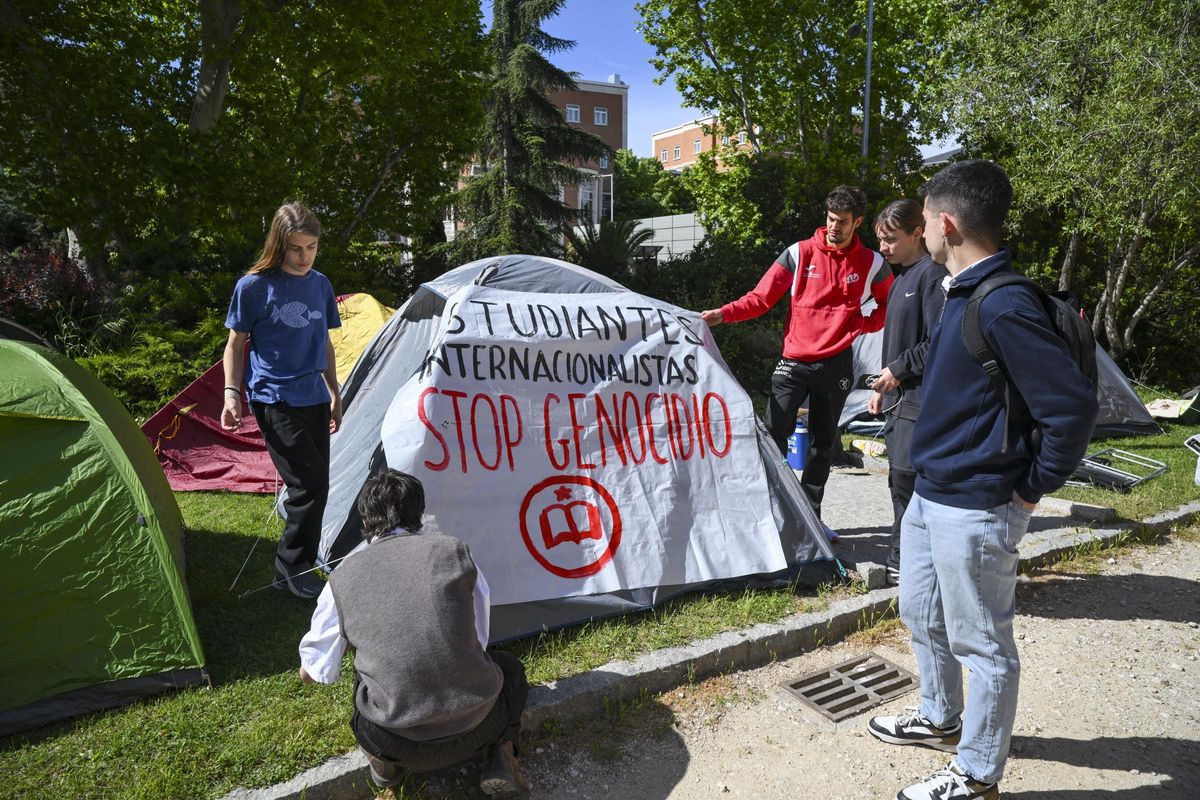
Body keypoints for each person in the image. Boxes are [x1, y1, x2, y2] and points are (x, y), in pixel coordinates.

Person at [868, 160, 1097, 800]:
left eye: (926, 220)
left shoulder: (1003, 302)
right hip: (931, 493)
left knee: (983, 644)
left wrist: (1030, 488)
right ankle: (940, 717)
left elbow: (1072, 407)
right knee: (921, 612)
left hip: (978, 503)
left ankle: (976, 773)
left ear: (944, 223)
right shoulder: (960, 290)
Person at [299, 469, 530, 799]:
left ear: (364, 523)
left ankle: (386, 769)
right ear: (420, 515)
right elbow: (479, 640)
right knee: (511, 669)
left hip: (394, 740)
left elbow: (315, 672)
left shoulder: (342, 578)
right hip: (480, 724)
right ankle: (501, 754)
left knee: (362, 683)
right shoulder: (455, 551)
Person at [701, 186, 892, 523]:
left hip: (836, 364)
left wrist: (863, 323)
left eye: (843, 221)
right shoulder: (798, 253)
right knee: (772, 431)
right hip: (794, 360)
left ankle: (811, 515)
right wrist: (723, 314)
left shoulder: (872, 262)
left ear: (857, 222)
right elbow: (760, 298)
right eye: (831, 219)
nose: (834, 226)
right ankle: (765, 506)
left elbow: (892, 305)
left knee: (823, 443)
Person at [221, 202, 343, 600]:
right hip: (273, 396)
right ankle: (290, 565)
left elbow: (323, 341)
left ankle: (299, 563)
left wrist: (335, 391)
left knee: (317, 485)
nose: (305, 256)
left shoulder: (321, 285)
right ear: (279, 244)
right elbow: (235, 343)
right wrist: (231, 393)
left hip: (313, 396)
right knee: (307, 484)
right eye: (296, 248)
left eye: (311, 247)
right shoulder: (253, 287)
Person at [866, 200, 948, 586]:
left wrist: (898, 371)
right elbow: (896, 346)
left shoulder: (933, 277)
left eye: (891, 240)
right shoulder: (900, 281)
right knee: (898, 482)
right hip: (898, 403)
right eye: (880, 240)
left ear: (918, 233)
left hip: (922, 403)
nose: (884, 248)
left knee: (909, 484)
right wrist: (882, 388)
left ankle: (907, 566)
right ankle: (905, 562)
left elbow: (941, 342)